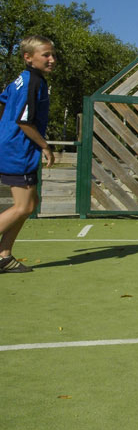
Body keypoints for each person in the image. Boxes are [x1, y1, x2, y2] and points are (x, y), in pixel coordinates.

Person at [0, 36, 56, 273]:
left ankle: (4, 256)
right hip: (18, 150)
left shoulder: (22, 80)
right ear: (28, 57)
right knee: (23, 207)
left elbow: (2, 104)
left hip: (14, 147)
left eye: (53, 55)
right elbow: (24, 122)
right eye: (46, 55)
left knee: (31, 203)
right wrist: (45, 146)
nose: (52, 60)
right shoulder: (33, 82)